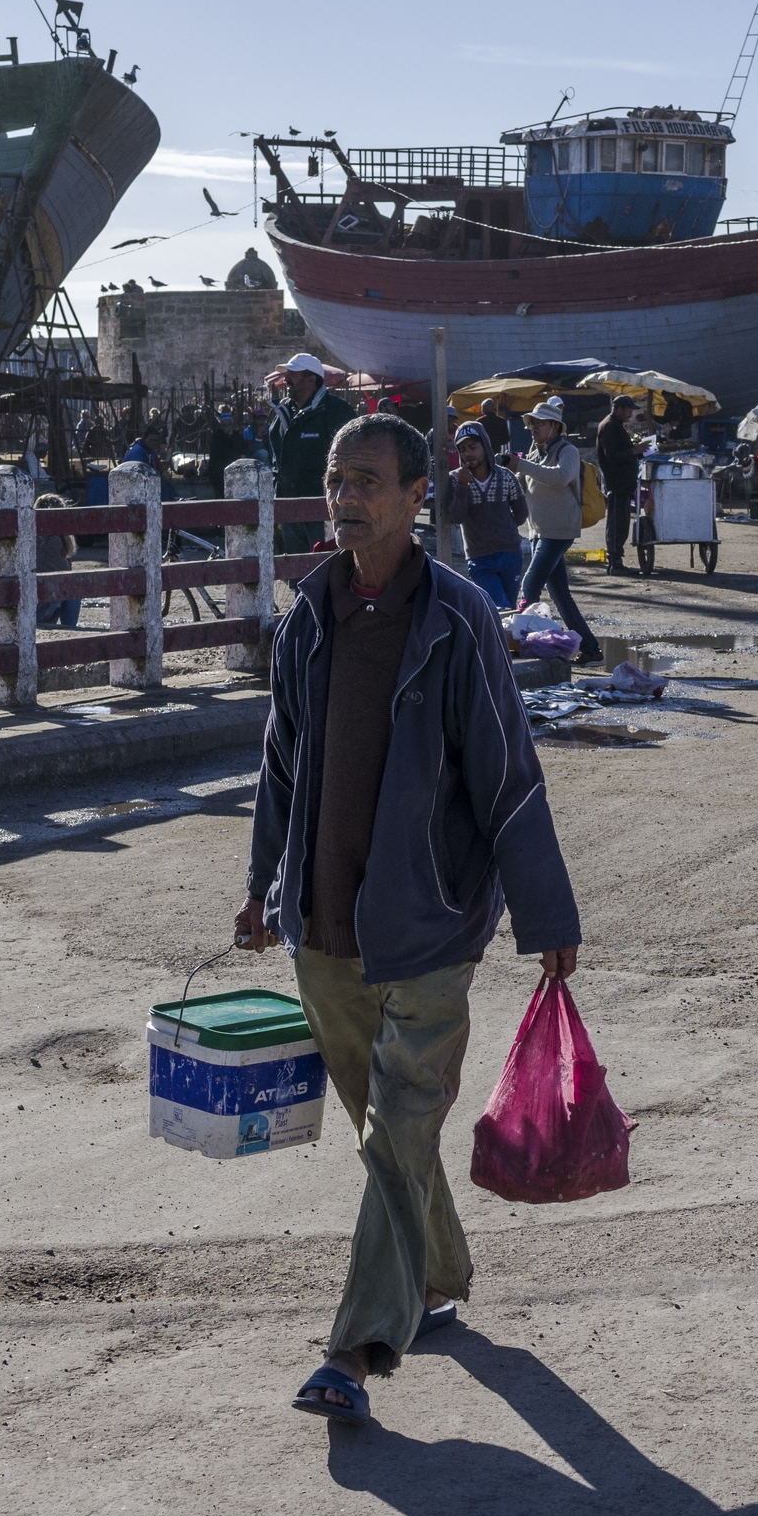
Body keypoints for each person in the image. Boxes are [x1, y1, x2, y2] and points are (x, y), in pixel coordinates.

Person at [237, 410, 582, 1424]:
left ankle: (354, 1346)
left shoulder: (458, 615)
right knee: (387, 1133)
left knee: (395, 1137)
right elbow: (280, 766)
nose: (348, 499)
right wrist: (265, 888)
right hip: (324, 926)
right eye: (338, 481)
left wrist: (543, 910)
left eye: (370, 481)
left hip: (429, 923)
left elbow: (507, 773)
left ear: (417, 494)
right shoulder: (312, 611)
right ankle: (437, 1272)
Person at [508, 398, 602, 663]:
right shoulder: (534, 452)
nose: (533, 428)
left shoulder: (567, 450)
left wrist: (521, 465)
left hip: (559, 529)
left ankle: (525, 647)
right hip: (538, 530)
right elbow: (523, 484)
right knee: (561, 595)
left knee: (530, 584)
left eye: (539, 423)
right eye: (532, 423)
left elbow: (561, 477)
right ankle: (592, 650)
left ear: (554, 426)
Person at [269, 353, 357, 553]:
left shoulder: (336, 411)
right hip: (289, 506)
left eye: (293, 373)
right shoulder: (283, 413)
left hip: (324, 508)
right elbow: (277, 461)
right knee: (296, 572)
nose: (286, 379)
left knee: (325, 568)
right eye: (287, 373)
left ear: (311, 379)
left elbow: (352, 457)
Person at [444, 422, 529, 606]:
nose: (468, 453)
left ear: (485, 446)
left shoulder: (506, 476)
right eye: (463, 449)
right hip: (479, 559)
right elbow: (456, 517)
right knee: (498, 608)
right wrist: (462, 486)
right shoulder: (456, 480)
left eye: (473, 447)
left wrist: (505, 530)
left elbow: (521, 514)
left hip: (510, 555)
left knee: (509, 610)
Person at [595, 396, 641, 576]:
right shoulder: (609, 426)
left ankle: (617, 560)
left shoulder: (616, 425)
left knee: (621, 521)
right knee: (616, 522)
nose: (631, 414)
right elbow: (612, 456)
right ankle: (615, 563)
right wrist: (634, 451)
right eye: (629, 410)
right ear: (619, 409)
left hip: (623, 482)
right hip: (617, 482)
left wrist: (636, 451)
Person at [35, 490, 82, 630]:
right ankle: (70, 629)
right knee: (72, 588)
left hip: (41, 604)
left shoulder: (36, 537)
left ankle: (69, 629)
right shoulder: (57, 540)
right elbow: (67, 570)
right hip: (47, 604)